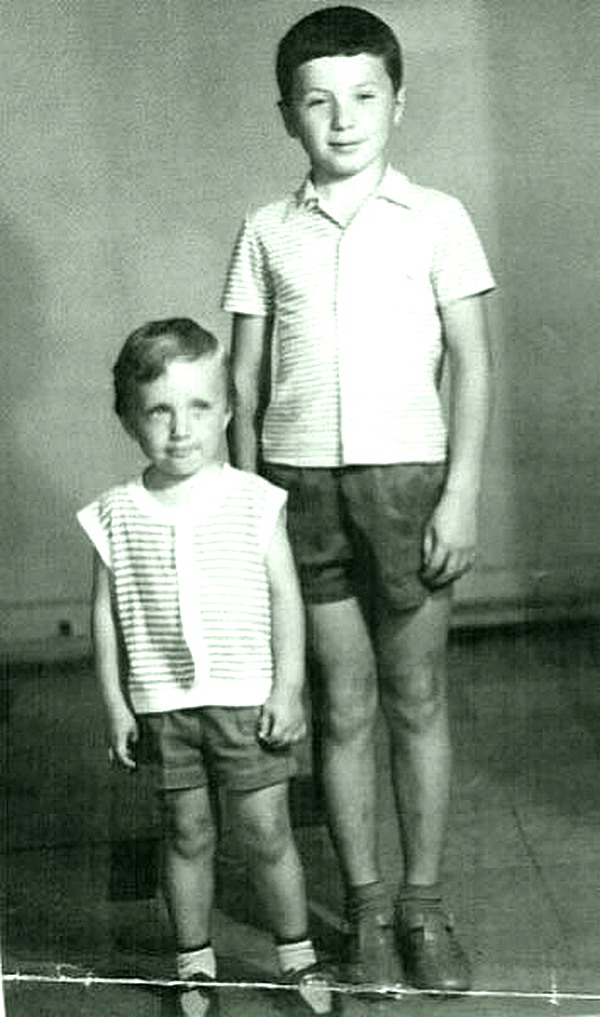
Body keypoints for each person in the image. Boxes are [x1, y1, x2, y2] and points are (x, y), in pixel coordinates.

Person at [223, 5, 495, 994]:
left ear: (397, 102)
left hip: (409, 486)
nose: (343, 119)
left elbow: (472, 361)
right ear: (286, 114)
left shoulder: (437, 219)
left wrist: (460, 494)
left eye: (364, 96)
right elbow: (243, 382)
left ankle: (423, 906)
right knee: (341, 706)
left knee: (416, 698)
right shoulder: (267, 231)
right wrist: (251, 515)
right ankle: (369, 910)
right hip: (300, 491)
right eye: (318, 101)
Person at [78, 318, 340, 1017]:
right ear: (129, 419)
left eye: (199, 407)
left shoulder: (254, 500)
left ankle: (298, 957)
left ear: (226, 412)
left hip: (247, 700)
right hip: (163, 705)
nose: (181, 429)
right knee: (187, 833)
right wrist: (116, 702)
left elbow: (286, 596)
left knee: (268, 832)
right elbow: (104, 614)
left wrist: (288, 687)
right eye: (159, 410)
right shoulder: (115, 513)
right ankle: (194, 965)